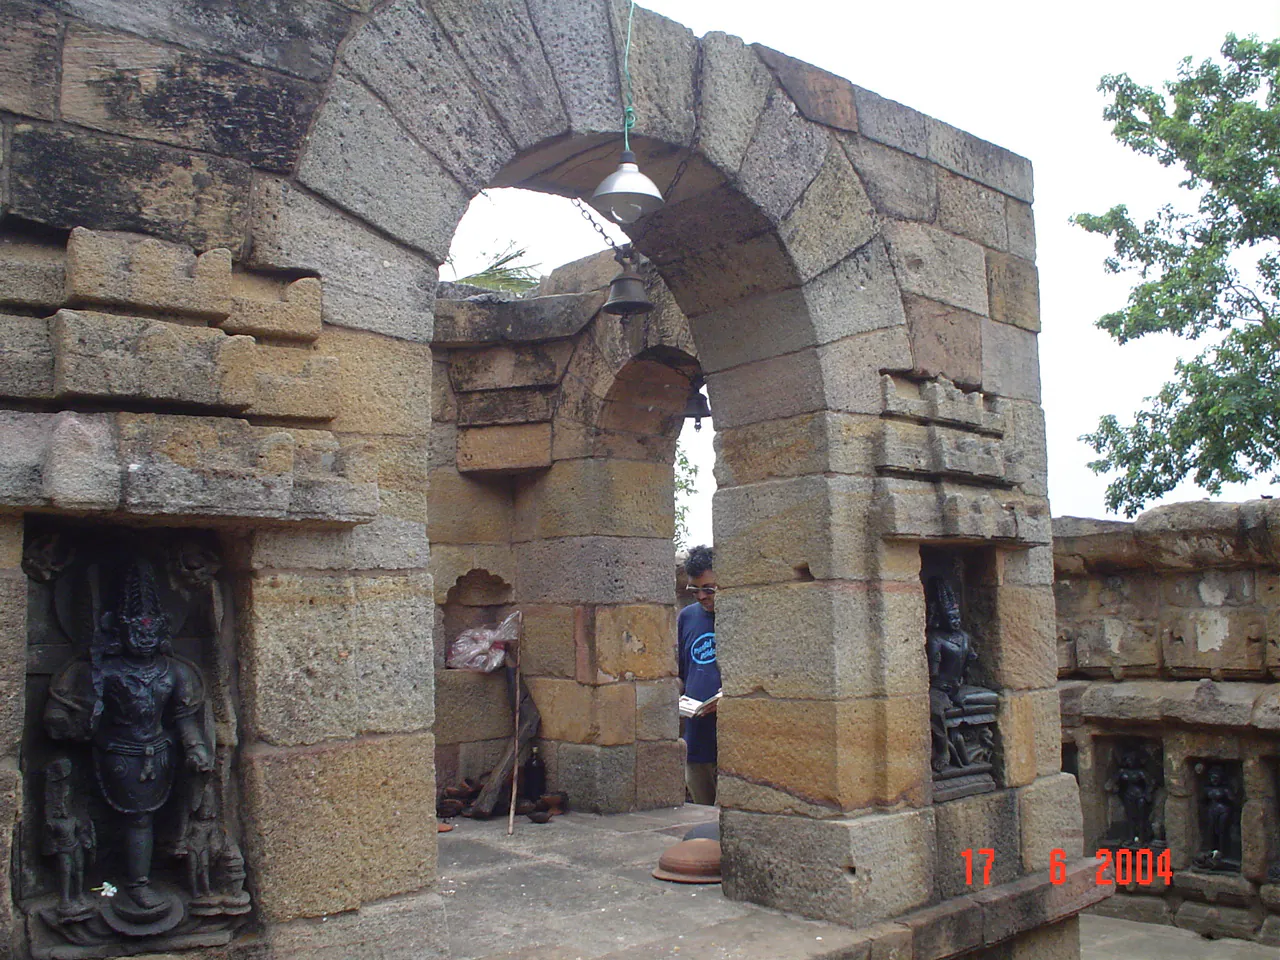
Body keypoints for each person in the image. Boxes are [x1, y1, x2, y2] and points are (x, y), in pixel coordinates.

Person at [678, 545, 719, 805]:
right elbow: (683, 670)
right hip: (696, 739)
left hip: (729, 738)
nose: (702, 597)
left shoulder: (740, 613)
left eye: (709, 589)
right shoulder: (687, 617)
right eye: (695, 591)